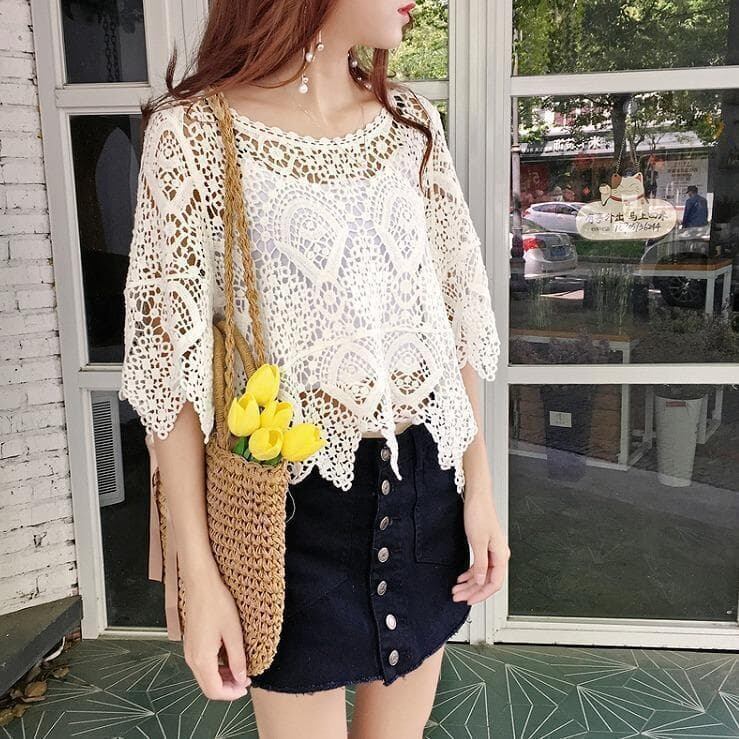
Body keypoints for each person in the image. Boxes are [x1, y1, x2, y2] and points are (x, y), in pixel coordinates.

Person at [119, 0, 508, 736]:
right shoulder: (193, 134)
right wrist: (199, 574)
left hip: (426, 491)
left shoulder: (410, 125)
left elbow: (454, 324)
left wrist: (481, 489)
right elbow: (169, 379)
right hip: (284, 517)